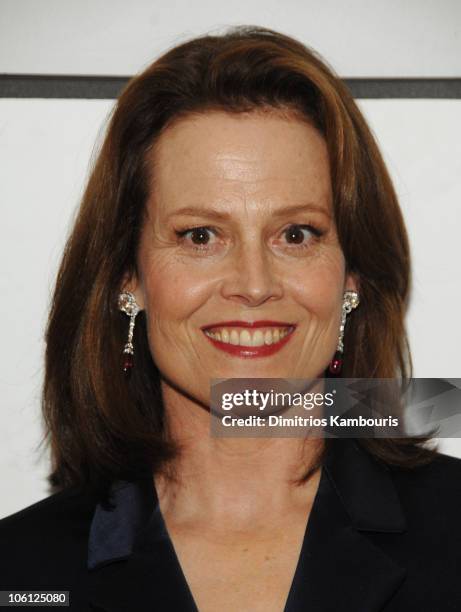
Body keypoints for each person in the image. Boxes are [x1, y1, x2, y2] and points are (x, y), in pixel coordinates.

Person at [1, 24, 460, 612]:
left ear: (353, 277)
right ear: (127, 277)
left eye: (297, 234)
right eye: (200, 236)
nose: (253, 285)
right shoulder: (19, 570)